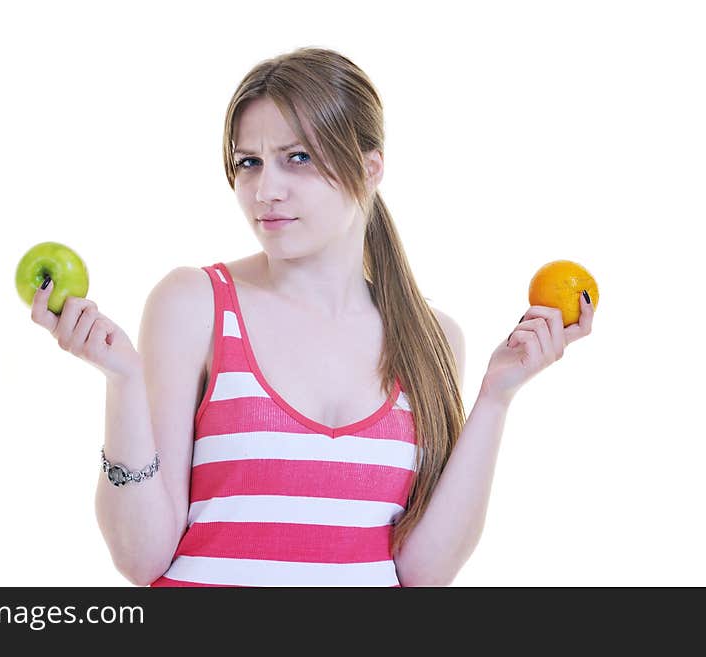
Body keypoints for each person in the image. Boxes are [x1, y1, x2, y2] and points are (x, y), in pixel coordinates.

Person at [29, 47, 595, 586]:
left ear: (370, 167)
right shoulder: (194, 303)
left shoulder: (432, 337)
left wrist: (497, 396)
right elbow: (141, 555)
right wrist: (123, 383)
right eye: (248, 163)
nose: (264, 190)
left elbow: (425, 573)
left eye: (296, 157)